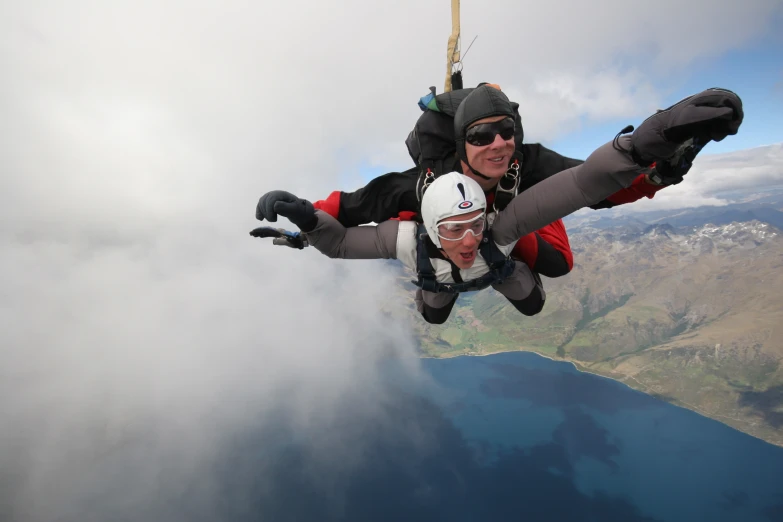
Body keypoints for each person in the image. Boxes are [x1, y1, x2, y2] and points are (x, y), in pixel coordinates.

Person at [251, 91, 743, 323]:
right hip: (434, 246)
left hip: (507, 233)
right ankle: (441, 265)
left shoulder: (525, 170)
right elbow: (353, 207)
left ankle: (473, 260)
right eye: (482, 135)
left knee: (556, 266)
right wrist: (303, 216)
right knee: (435, 311)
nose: (498, 144)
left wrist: (651, 156)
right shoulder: (422, 184)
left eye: (506, 130)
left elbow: (593, 183)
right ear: (461, 143)